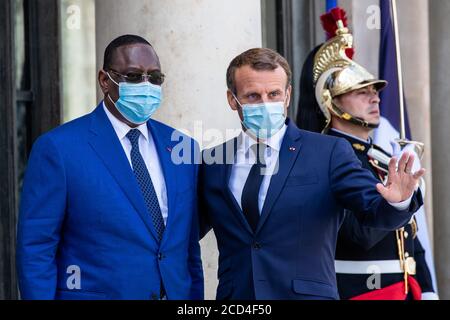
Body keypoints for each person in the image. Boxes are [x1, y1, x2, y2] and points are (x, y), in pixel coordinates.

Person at [198, 46, 425, 300]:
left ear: (287, 95)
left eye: (273, 94)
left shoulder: (328, 152)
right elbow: (183, 232)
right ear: (233, 99)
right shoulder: (213, 162)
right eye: (253, 96)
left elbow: (372, 210)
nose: (265, 103)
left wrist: (398, 201)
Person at [16, 35, 203, 300]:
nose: (146, 85)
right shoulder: (59, 149)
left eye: (155, 78)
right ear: (105, 80)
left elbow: (187, 247)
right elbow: (36, 248)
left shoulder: (183, 148)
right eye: (134, 76)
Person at [297, 9, 437, 300]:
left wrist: (427, 289)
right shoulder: (325, 160)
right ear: (330, 101)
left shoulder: (380, 157)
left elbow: (411, 233)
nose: (375, 97)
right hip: (359, 292)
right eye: (361, 91)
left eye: (374, 89)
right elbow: (361, 235)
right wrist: (399, 202)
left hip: (405, 289)